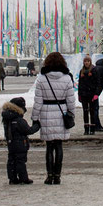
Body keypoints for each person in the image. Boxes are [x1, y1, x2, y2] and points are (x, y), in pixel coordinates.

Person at [31, 51, 75, 185]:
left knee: (49, 146)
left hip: (46, 112)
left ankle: (49, 176)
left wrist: (34, 117)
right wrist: (71, 114)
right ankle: (57, 176)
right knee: (59, 145)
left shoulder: (41, 79)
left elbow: (38, 101)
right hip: (62, 113)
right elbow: (71, 101)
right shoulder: (67, 78)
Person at [2, 96, 39, 184]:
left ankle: (12, 178)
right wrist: (37, 126)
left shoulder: (7, 118)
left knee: (11, 160)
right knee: (20, 161)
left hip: (11, 143)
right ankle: (23, 178)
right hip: (21, 144)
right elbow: (28, 130)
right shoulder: (19, 120)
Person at [77, 55, 100, 135]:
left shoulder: (94, 70)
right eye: (85, 61)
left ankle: (93, 128)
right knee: (85, 111)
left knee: (92, 111)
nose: (86, 63)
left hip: (92, 94)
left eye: (88, 61)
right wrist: (79, 94)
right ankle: (86, 128)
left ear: (90, 62)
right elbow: (80, 84)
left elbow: (98, 83)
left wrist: (96, 94)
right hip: (84, 94)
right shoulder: (82, 71)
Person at [91, 57, 103, 132]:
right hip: (94, 92)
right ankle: (96, 126)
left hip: (92, 91)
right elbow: (100, 83)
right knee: (95, 109)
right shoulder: (102, 70)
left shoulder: (96, 68)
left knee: (94, 109)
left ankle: (97, 125)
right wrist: (97, 93)